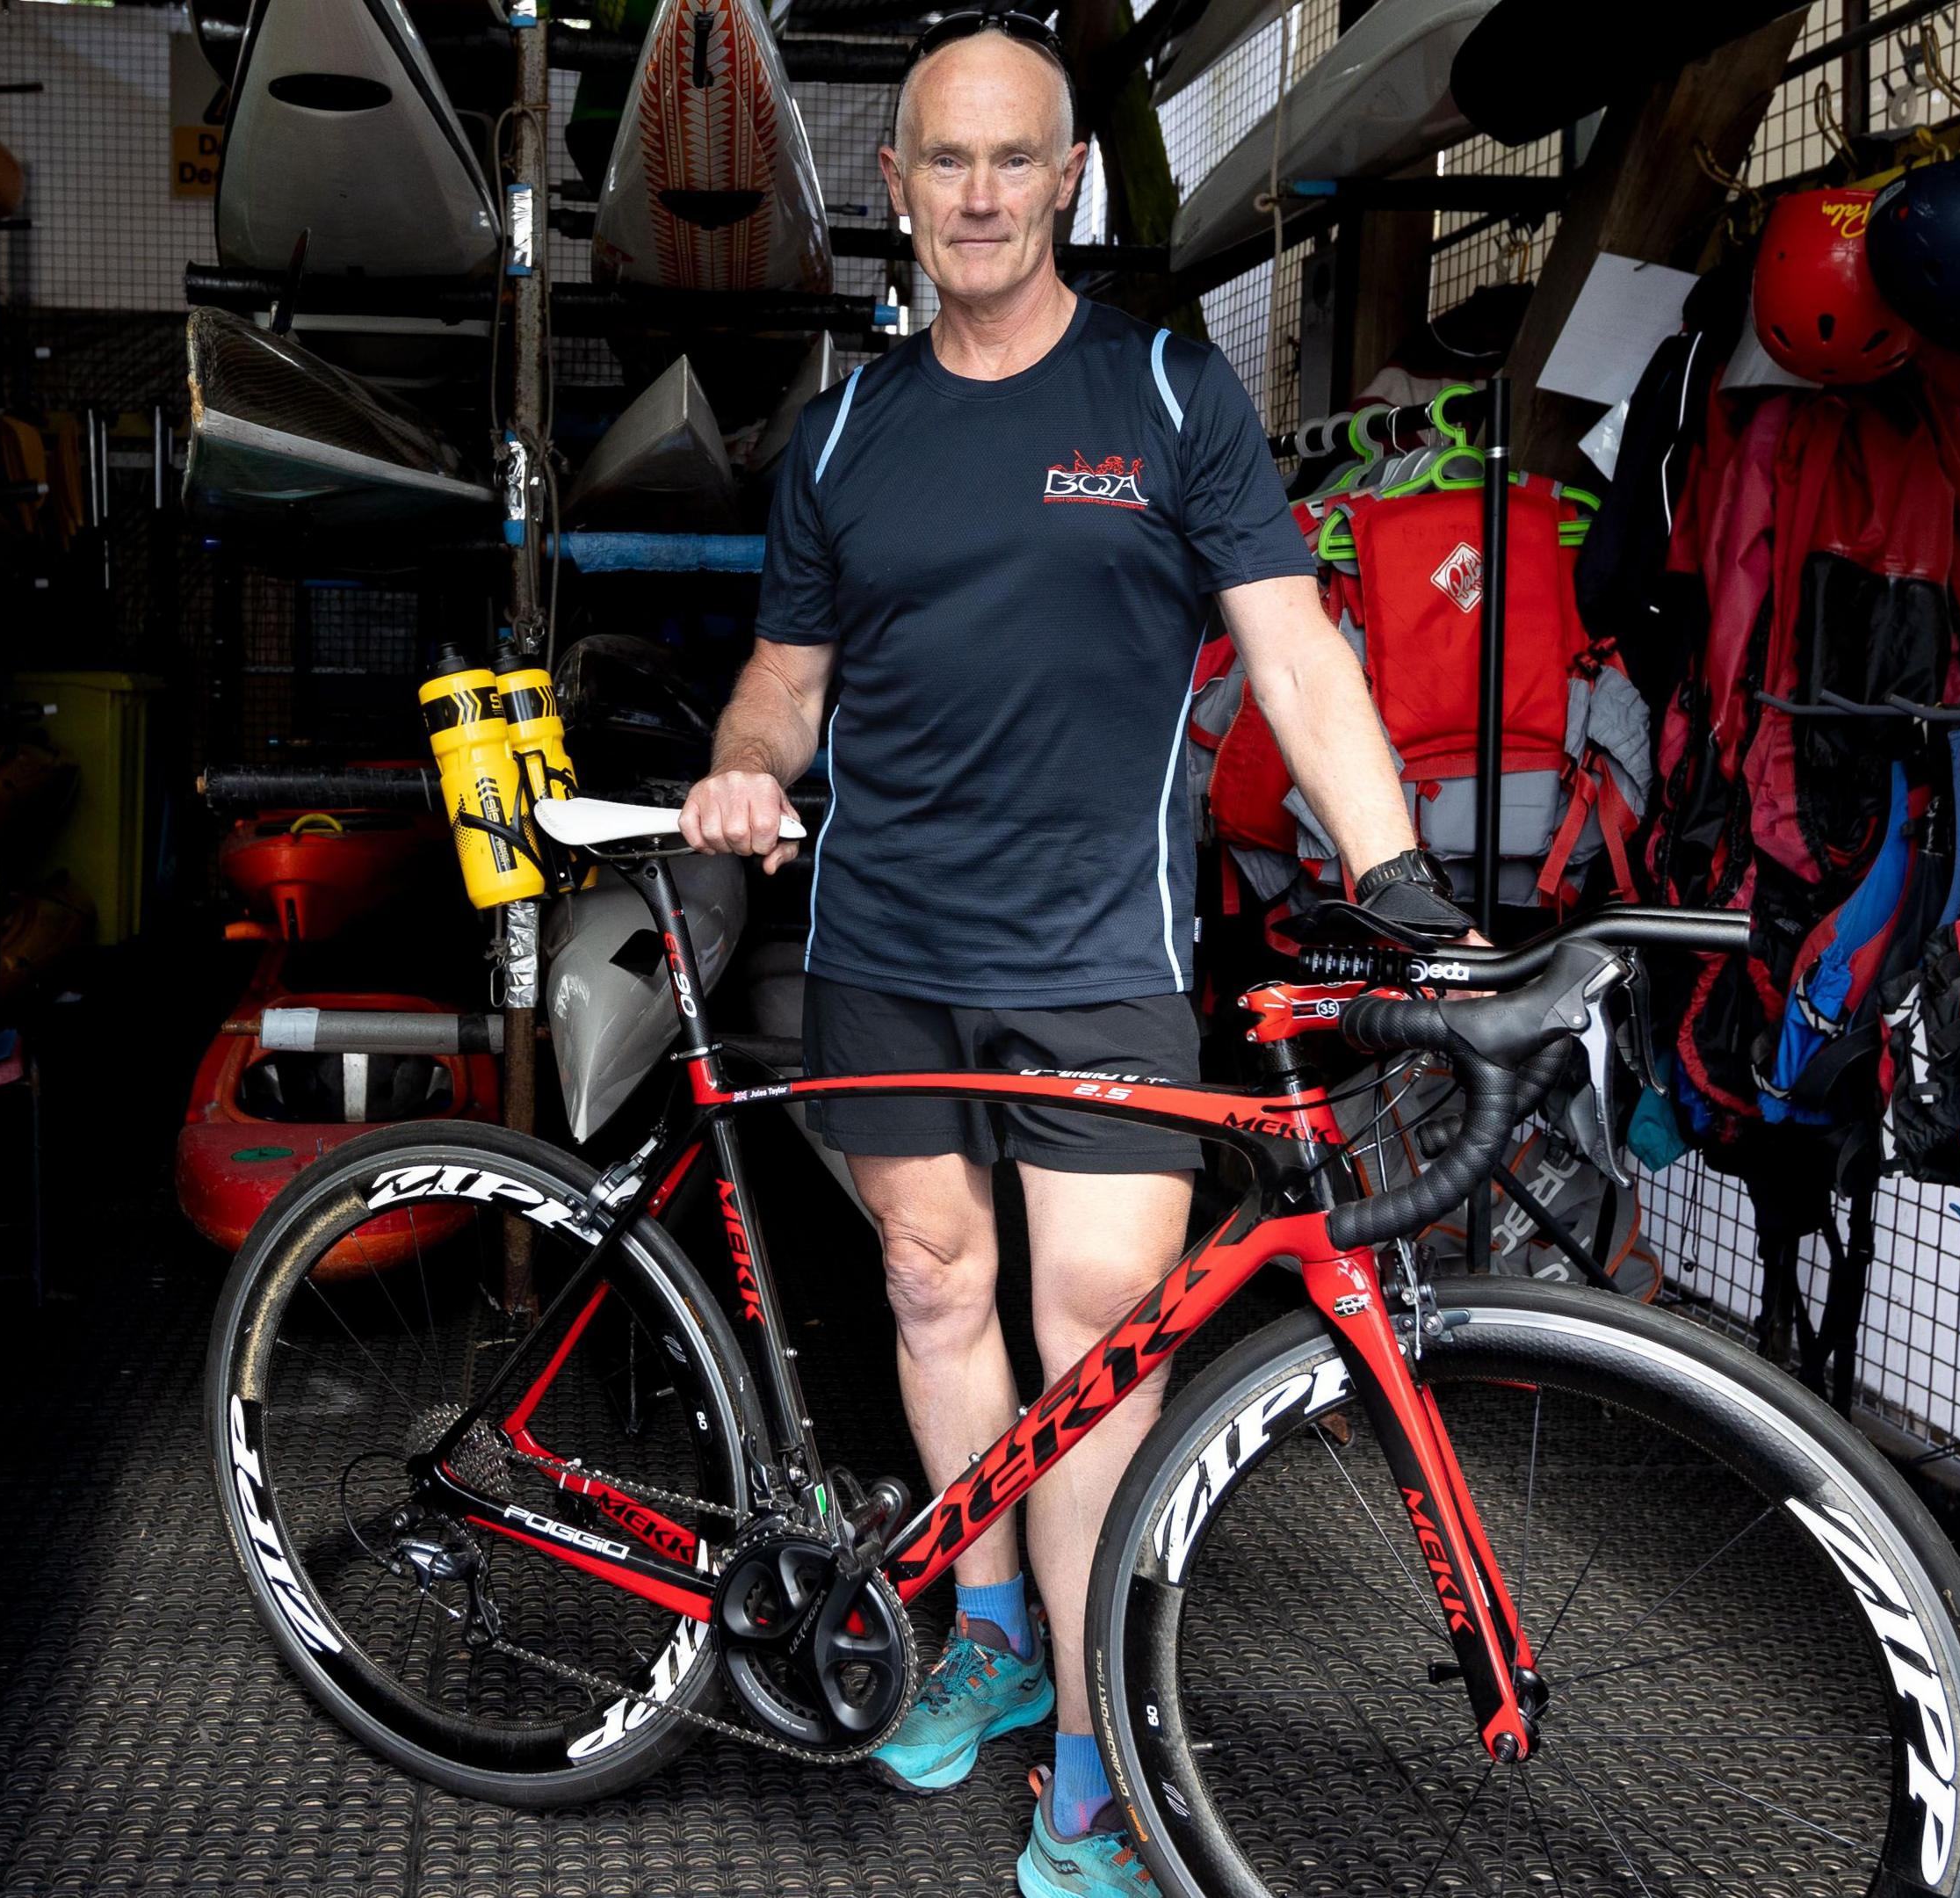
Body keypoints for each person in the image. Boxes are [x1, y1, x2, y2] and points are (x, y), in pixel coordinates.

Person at [678, 11, 1466, 1893]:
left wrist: (1400, 873)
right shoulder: (849, 427)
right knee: (938, 1295)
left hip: (1102, 949)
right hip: (882, 941)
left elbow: (1293, 651)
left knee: (1095, 1337)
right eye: (941, 161)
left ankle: (1102, 1754)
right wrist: (734, 772)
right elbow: (784, 688)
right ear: (896, 192)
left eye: (1010, 158)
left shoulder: (1171, 395)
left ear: (1067, 179)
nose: (975, 193)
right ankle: (995, 1648)